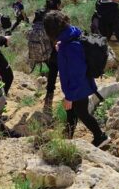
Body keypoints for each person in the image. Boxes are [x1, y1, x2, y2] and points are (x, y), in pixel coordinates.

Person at [43, 11, 111, 148]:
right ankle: (67, 137)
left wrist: (69, 96)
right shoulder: (70, 35)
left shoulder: (69, 47)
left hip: (79, 86)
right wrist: (60, 47)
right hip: (79, 84)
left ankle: (100, 136)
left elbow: (76, 73)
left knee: (82, 113)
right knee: (72, 111)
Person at [37, 0, 64, 113]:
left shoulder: (39, 13)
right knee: (57, 71)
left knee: (52, 72)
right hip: (54, 50)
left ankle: (48, 99)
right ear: (58, 5)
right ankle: (67, 96)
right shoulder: (55, 16)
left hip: (41, 50)